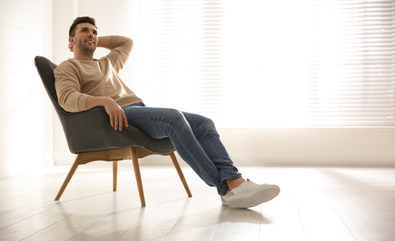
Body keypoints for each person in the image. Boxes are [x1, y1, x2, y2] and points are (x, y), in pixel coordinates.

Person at [54, 16, 280, 208]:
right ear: (70, 40)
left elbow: (126, 43)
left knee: (204, 123)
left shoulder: (107, 63)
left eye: (95, 31)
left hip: (139, 110)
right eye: (85, 31)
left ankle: (233, 182)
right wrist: (105, 101)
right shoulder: (68, 67)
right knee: (173, 117)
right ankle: (228, 187)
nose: (92, 34)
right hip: (119, 117)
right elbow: (67, 99)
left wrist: (92, 40)